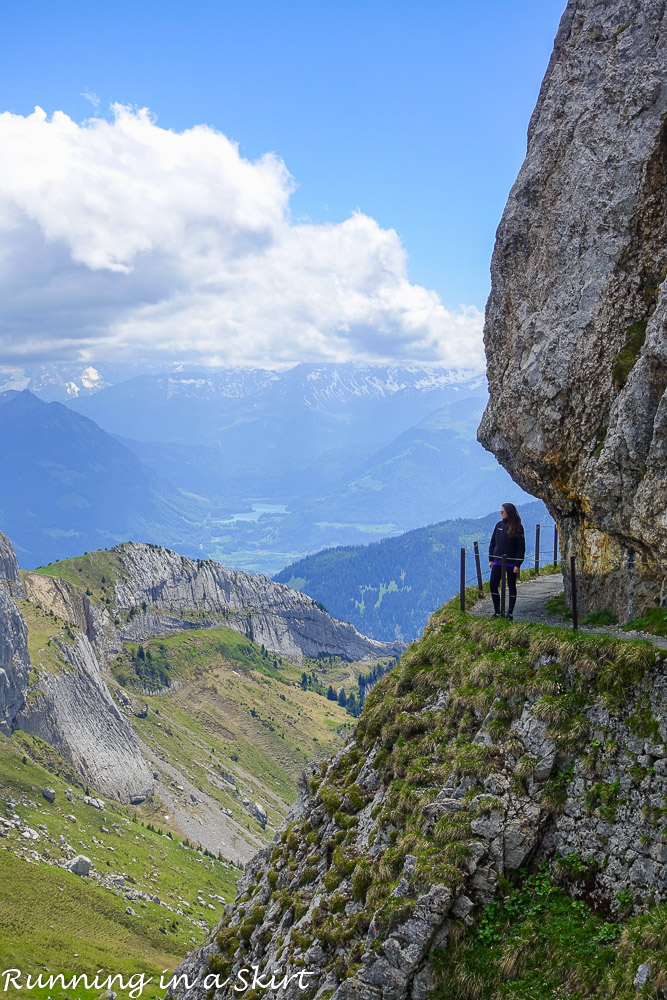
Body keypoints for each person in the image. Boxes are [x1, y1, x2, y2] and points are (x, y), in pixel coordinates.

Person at [488, 502, 525, 619]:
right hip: (498, 560)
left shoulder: (518, 527)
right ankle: (497, 611)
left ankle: (510, 612)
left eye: (502, 511)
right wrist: (491, 559)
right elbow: (493, 543)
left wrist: (517, 564)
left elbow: (521, 547)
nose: (500, 513)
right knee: (493, 585)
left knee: (511, 586)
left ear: (508, 512)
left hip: (511, 562)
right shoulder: (498, 525)